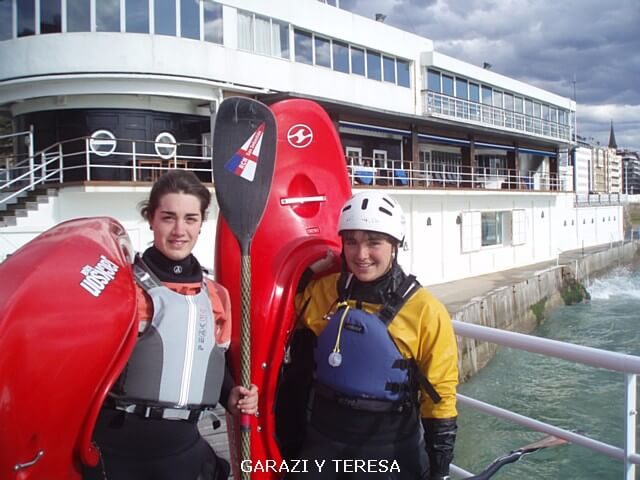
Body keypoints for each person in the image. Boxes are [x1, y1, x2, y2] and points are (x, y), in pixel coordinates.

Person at [84, 170, 258, 480]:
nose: (180, 230)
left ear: (201, 223)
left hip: (183, 449)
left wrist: (233, 395)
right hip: (119, 450)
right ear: (150, 218)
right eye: (168, 217)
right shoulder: (120, 286)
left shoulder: (217, 296)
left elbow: (209, 366)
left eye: (190, 219)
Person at [289, 191, 458, 479]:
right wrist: (306, 271)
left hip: (388, 448)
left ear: (395, 245)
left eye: (373, 243)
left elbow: (440, 397)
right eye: (351, 242)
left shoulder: (426, 310)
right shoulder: (324, 291)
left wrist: (440, 469)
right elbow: (284, 309)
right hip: (323, 440)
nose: (361, 254)